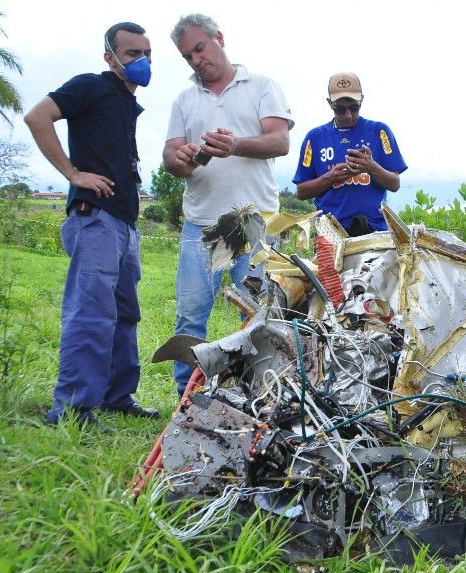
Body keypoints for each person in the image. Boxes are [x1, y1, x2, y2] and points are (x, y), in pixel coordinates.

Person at [24, 21, 159, 427]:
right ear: (110, 58)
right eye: (133, 53)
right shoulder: (91, 86)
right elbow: (38, 117)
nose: (143, 61)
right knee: (92, 312)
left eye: (147, 53)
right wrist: (72, 173)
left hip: (123, 223)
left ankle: (117, 395)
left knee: (124, 311)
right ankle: (72, 408)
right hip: (95, 218)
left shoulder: (125, 103)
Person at [162, 13, 294, 395]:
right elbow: (169, 156)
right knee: (190, 315)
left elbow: (279, 141)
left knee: (259, 315)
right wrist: (181, 157)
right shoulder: (184, 100)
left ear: (219, 38)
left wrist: (236, 144)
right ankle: (185, 396)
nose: (196, 60)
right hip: (202, 224)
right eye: (187, 56)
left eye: (200, 48)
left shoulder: (262, 86)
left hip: (255, 224)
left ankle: (258, 394)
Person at [292, 72, 406, 236]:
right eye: (340, 109)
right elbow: (301, 192)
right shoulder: (314, 138)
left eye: (354, 107)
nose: (348, 115)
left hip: (375, 229)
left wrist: (371, 167)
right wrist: (330, 177)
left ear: (362, 100)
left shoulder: (380, 132)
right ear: (329, 103)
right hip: (330, 231)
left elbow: (395, 184)